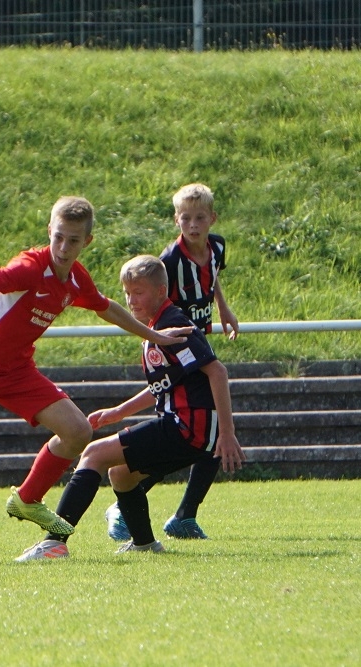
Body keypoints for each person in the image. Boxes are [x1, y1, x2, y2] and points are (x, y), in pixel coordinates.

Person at [0, 196, 192, 537]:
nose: (63, 247)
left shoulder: (75, 279)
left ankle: (27, 499)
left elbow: (106, 307)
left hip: (17, 371)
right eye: (58, 237)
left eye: (73, 240)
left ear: (86, 241)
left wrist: (155, 335)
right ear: (49, 231)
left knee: (78, 431)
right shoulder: (31, 266)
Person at [17, 254, 245, 561]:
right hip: (190, 430)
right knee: (122, 474)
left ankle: (54, 542)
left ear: (161, 291)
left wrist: (227, 433)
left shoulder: (173, 325)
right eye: (127, 293)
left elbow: (217, 371)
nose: (131, 300)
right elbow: (165, 384)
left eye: (139, 292)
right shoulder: (158, 327)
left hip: (187, 427)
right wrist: (118, 413)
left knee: (94, 454)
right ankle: (145, 543)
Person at [105, 183, 238, 542]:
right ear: (176, 220)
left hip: (196, 344)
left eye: (200, 218)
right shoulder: (171, 260)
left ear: (212, 218)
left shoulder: (217, 246)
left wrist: (223, 309)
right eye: (186, 218)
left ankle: (182, 515)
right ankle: (128, 502)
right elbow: (157, 301)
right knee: (192, 433)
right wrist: (160, 340)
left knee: (207, 433)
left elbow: (213, 278)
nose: (193, 225)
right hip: (176, 347)